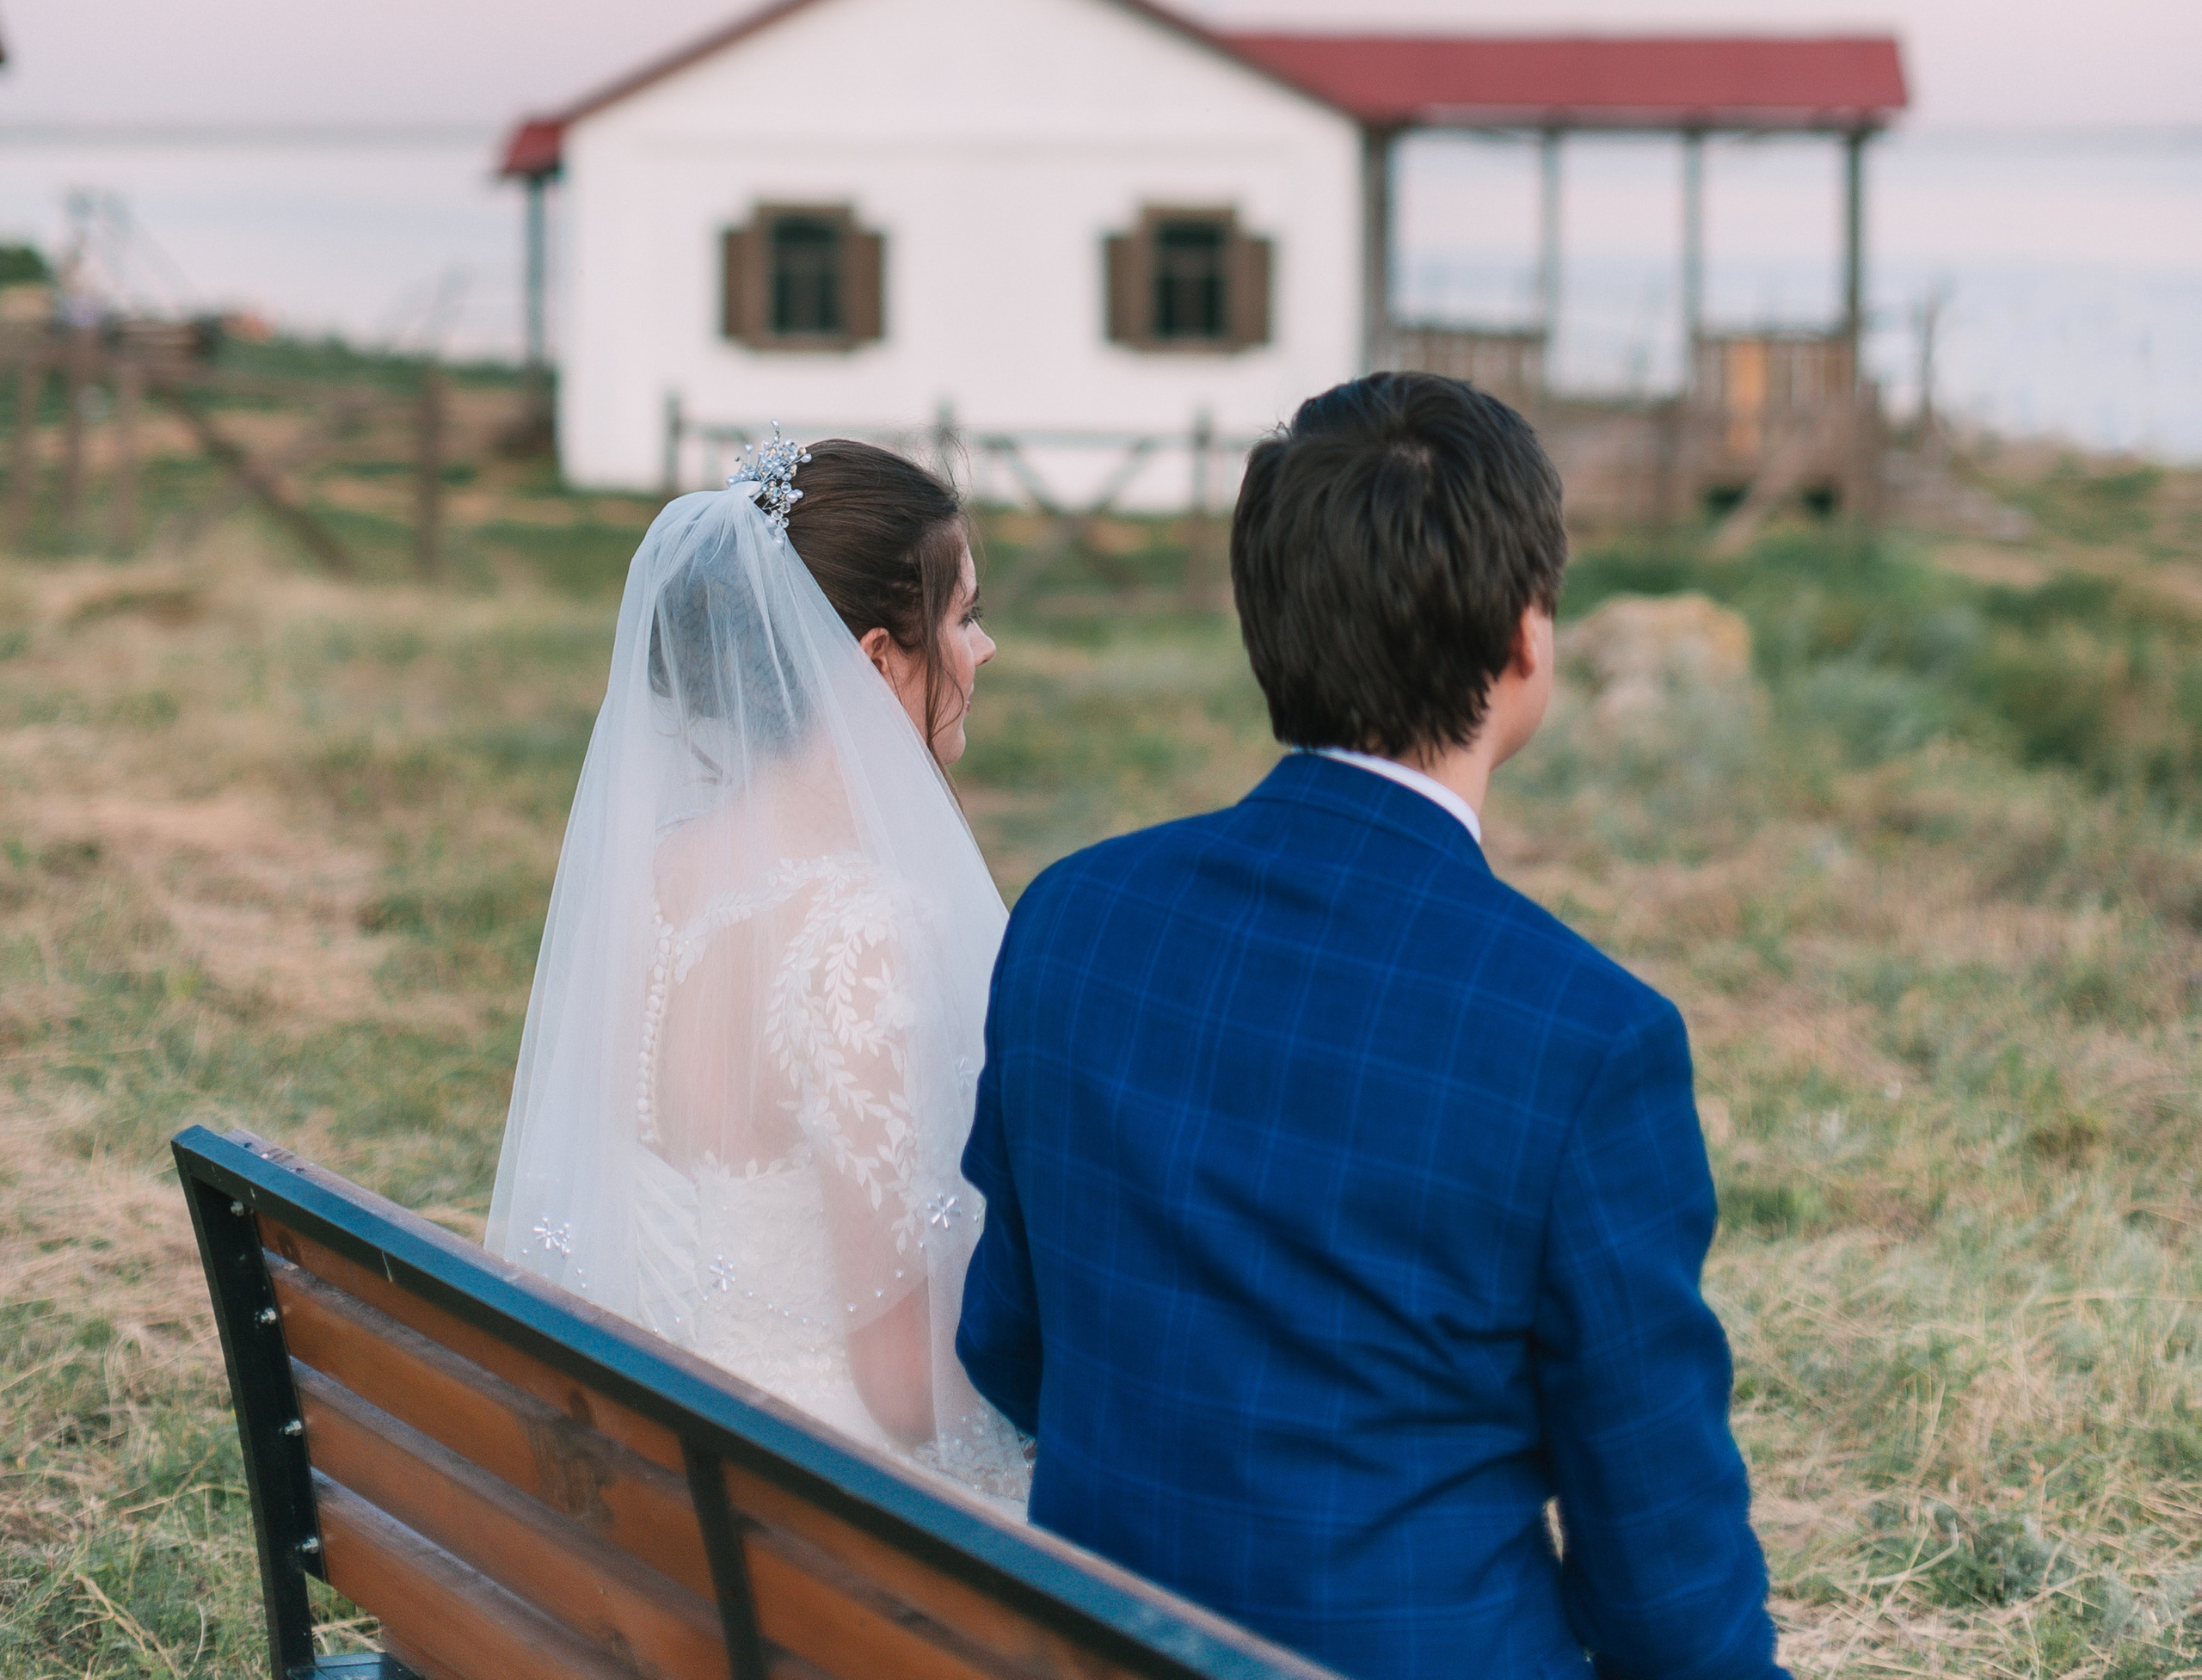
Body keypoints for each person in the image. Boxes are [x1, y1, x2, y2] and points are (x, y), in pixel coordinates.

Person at [956, 372, 1787, 1677]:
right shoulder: (1585, 1037)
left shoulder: (1070, 917)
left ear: (1264, 619)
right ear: (1527, 640)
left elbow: (1008, 1341)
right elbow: (1664, 1574)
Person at [489, 433, 1027, 1505]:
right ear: (877, 661)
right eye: (963, 616)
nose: (986, 648)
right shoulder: (863, 934)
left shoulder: (649, 879)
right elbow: (901, 1382)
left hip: (649, 1481)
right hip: (805, 1520)